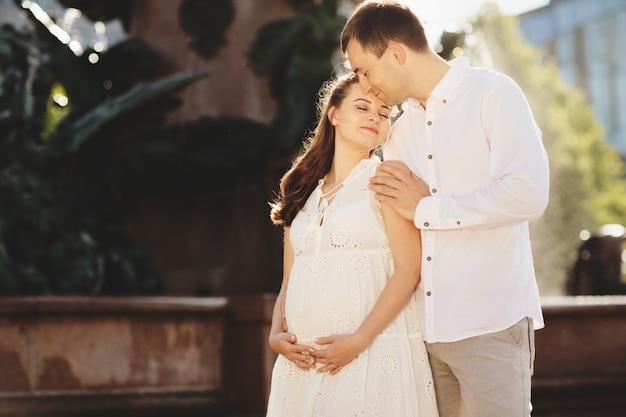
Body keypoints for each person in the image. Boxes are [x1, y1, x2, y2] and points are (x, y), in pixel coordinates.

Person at [340, 1, 550, 416]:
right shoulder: (400, 133)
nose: (364, 84)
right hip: (423, 337)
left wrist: (428, 207)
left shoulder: (494, 94)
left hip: (490, 326)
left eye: (365, 70)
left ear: (397, 54)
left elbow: (528, 194)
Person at [265, 72, 439, 416]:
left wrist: (357, 342)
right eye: (363, 107)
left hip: (372, 353)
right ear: (334, 114)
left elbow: (409, 269)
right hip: (304, 363)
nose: (375, 116)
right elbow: (290, 279)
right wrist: (275, 335)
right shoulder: (301, 190)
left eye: (384, 112)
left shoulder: (387, 178)